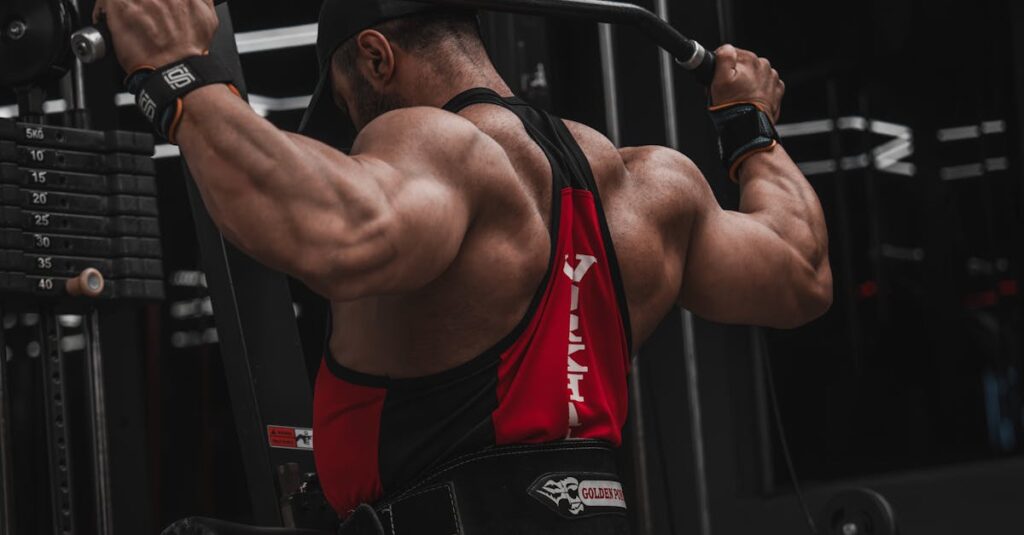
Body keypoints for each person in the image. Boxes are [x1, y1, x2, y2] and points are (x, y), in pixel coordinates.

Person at [97, 0, 832, 533]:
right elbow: (800, 273)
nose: (362, 134)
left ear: (377, 55)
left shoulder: (440, 146)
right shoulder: (654, 189)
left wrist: (179, 75)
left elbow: (324, 229)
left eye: (352, 107)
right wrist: (749, 128)